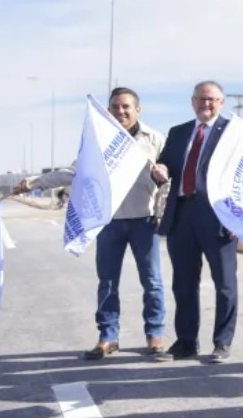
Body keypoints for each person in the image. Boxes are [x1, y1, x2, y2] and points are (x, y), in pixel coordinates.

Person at [13, 87, 169, 360]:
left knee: (152, 281)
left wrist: (160, 208)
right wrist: (33, 183)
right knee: (107, 281)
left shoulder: (154, 139)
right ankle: (108, 336)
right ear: (108, 110)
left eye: (125, 107)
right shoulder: (100, 140)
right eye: (115, 107)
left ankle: (155, 334)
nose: (120, 111)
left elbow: (169, 179)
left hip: (145, 221)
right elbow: (74, 173)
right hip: (108, 221)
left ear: (137, 110)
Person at [150, 81, 238, 364]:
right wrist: (160, 169)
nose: (206, 105)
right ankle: (186, 342)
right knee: (183, 284)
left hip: (218, 217)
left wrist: (240, 217)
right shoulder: (178, 133)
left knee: (224, 284)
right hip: (181, 215)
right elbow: (164, 168)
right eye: (201, 99)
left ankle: (222, 343)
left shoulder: (233, 134)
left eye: (212, 100)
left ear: (222, 103)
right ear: (192, 101)